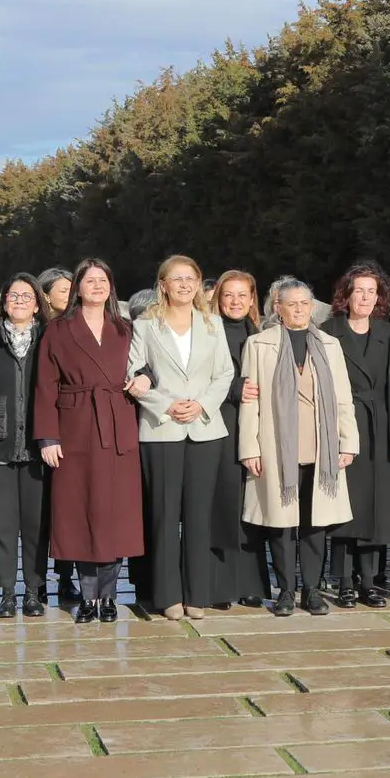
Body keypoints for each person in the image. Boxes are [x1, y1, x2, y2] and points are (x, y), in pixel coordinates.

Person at [239, 279, 359, 616]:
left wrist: (348, 442)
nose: (299, 310)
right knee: (281, 521)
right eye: (292, 304)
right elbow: (252, 402)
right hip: (277, 444)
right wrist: (250, 447)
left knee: (315, 521)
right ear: (277, 307)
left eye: (305, 303)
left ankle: (312, 590)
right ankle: (286, 591)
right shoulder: (259, 344)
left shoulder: (329, 344)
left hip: (320, 445)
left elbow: (343, 399)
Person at [35, 259, 143, 622]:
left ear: (111, 286)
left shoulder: (126, 328)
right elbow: (45, 385)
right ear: (77, 287)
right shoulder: (59, 329)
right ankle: (86, 594)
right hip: (75, 426)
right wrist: (48, 436)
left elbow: (146, 367)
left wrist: (144, 379)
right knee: (79, 511)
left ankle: (109, 596)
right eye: (90, 280)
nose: (97, 286)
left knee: (115, 512)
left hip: (117, 424)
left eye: (103, 280)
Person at [128, 255, 235, 620]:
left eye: (191, 278)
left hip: (205, 428)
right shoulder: (145, 326)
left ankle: (197, 594)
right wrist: (168, 405)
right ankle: (167, 595)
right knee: (163, 513)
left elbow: (224, 373)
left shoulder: (213, 324)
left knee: (198, 514)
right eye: (177, 279)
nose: (185, 285)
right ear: (163, 284)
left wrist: (201, 405)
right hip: (161, 429)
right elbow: (133, 376)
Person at [322, 263, 390, 607]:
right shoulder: (327, 331)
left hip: (379, 425)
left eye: (373, 291)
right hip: (343, 423)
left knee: (375, 505)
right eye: (360, 290)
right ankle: (343, 580)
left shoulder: (388, 333)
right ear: (347, 295)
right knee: (344, 503)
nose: (366, 297)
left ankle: (369, 580)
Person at [0, 273, 51, 615]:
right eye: (13, 296)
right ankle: (7, 591)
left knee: (36, 525)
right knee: (2, 525)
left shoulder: (49, 341)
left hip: (39, 448)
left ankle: (34, 590)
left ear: (37, 304)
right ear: (3, 303)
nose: (19, 301)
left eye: (26, 296)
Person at [212, 270, 270, 606]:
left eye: (242, 296)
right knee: (221, 504)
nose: (235, 302)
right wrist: (235, 389)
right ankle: (218, 586)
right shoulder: (207, 333)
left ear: (252, 300)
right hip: (219, 426)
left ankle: (250, 584)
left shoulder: (259, 335)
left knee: (251, 505)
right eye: (228, 295)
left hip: (253, 429)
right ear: (218, 299)